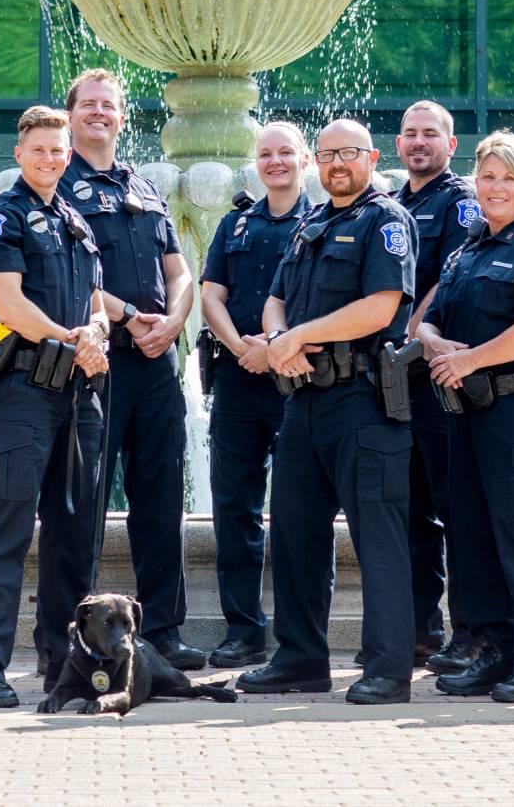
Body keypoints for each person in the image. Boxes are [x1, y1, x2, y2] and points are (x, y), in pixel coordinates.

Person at [237, 119, 417, 706]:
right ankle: (300, 659)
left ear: (369, 158)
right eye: (328, 154)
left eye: (348, 153)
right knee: (293, 534)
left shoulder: (386, 221)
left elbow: (380, 307)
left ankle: (389, 669)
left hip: (363, 400)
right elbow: (274, 299)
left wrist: (295, 337)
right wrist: (279, 338)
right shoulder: (312, 224)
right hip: (306, 400)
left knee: (379, 539)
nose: (337, 163)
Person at [0, 106, 113, 709]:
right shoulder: (1, 216)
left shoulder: (74, 220)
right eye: (40, 150)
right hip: (21, 391)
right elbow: (9, 302)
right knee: (8, 526)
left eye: (59, 151)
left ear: (70, 155)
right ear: (20, 155)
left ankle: (63, 663)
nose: (51, 159)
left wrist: (96, 332)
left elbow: (97, 297)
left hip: (78, 393)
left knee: (74, 533)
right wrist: (72, 340)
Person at [413, 130, 514, 703]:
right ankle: (492, 652)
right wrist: (438, 345)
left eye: (509, 177)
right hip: (468, 415)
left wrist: (470, 359)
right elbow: (423, 323)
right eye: (488, 176)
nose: (497, 187)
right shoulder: (465, 251)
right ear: (475, 182)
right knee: (475, 540)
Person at [62, 69, 203, 670]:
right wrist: (128, 318)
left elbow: (180, 269)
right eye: (88, 104)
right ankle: (80, 635)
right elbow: (69, 276)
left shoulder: (143, 187)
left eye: (109, 105)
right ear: (71, 116)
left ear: (123, 117)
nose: (99, 113)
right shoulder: (57, 184)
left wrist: (172, 321)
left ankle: (162, 632)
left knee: (161, 498)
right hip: (97, 362)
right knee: (84, 503)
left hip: (155, 362)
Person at [197, 121, 310, 669]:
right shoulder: (234, 223)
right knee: (234, 507)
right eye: (265, 153)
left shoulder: (325, 221)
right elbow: (210, 294)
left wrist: (276, 348)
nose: (275, 162)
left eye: (285, 152)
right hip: (238, 378)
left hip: (299, 383)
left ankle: (296, 634)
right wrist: (240, 346)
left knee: (297, 512)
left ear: (304, 159)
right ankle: (243, 629)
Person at [392, 101, 481, 671]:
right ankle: (422, 629)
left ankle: (469, 633)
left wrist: (406, 336)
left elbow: (448, 277)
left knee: (457, 509)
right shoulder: (391, 203)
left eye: (431, 134)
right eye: (410, 134)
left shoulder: (460, 201)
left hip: (436, 377)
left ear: (450, 146)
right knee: (411, 510)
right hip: (394, 379)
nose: (419, 142)